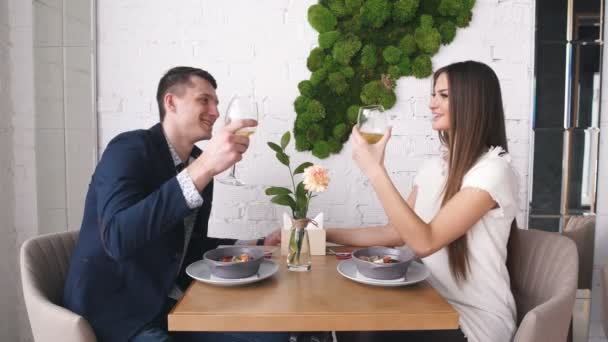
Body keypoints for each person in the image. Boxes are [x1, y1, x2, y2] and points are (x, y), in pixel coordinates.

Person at [63, 66, 287, 342]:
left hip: (170, 303)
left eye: (216, 102)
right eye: (204, 100)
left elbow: (190, 246)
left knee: (276, 335)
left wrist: (256, 244)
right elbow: (117, 238)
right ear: (171, 102)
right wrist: (204, 168)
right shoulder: (128, 149)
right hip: (117, 312)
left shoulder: (197, 163)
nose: (215, 112)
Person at [329, 61, 518, 342]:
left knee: (365, 331)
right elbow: (395, 233)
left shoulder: (493, 171)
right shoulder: (433, 168)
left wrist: (375, 171)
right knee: (349, 318)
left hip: (471, 322)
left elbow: (424, 242)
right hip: (425, 303)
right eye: (433, 94)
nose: (432, 103)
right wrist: (321, 233)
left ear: (472, 102)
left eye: (443, 95)